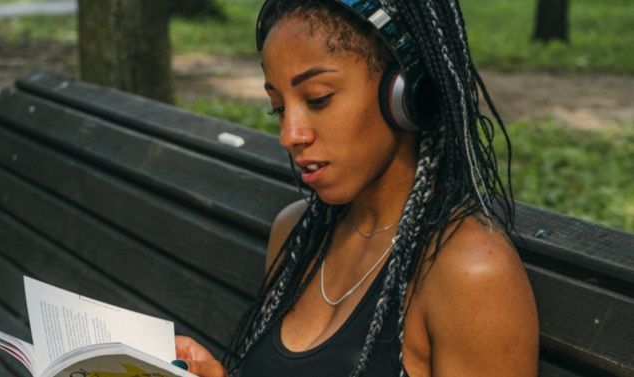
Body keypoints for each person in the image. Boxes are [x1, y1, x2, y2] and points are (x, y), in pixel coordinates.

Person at [174, 0, 539, 376]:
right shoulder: (297, 234)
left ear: (405, 96)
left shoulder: (470, 271)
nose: (290, 135)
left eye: (318, 99)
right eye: (278, 107)